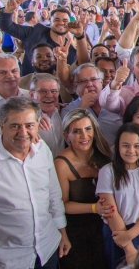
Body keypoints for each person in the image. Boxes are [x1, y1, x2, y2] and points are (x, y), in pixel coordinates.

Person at [0, 97, 71, 268]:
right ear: (1, 126)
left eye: (29, 125)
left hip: (48, 248)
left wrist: (62, 232)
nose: (23, 133)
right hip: (10, 259)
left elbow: (53, 194)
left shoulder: (42, 149)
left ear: (38, 125)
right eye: (15, 126)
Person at [96, 123, 139, 268]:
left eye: (137, 146)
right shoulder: (107, 172)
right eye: (125, 145)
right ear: (117, 146)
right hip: (118, 232)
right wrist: (128, 247)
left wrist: (130, 235)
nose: (131, 151)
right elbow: (110, 211)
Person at [55, 109, 112, 269]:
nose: (84, 135)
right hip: (77, 232)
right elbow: (62, 205)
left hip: (105, 228)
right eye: (76, 131)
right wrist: (95, 208)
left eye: (88, 129)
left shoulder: (105, 153)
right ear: (66, 136)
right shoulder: (61, 163)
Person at [0, 0, 81, 75]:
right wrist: (7, 11)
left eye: (65, 20)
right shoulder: (35, 32)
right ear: (50, 21)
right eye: (57, 20)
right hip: (29, 81)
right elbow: (7, 27)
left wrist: (79, 36)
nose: (61, 23)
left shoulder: (71, 50)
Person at [62, 63, 123, 145]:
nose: (89, 84)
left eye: (93, 79)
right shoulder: (68, 110)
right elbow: (69, 141)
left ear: (101, 82)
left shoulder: (115, 103)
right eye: (83, 81)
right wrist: (81, 110)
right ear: (76, 86)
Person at [29, 73, 64, 157]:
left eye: (53, 91)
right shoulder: (28, 121)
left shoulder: (63, 112)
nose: (49, 95)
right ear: (32, 95)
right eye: (43, 91)